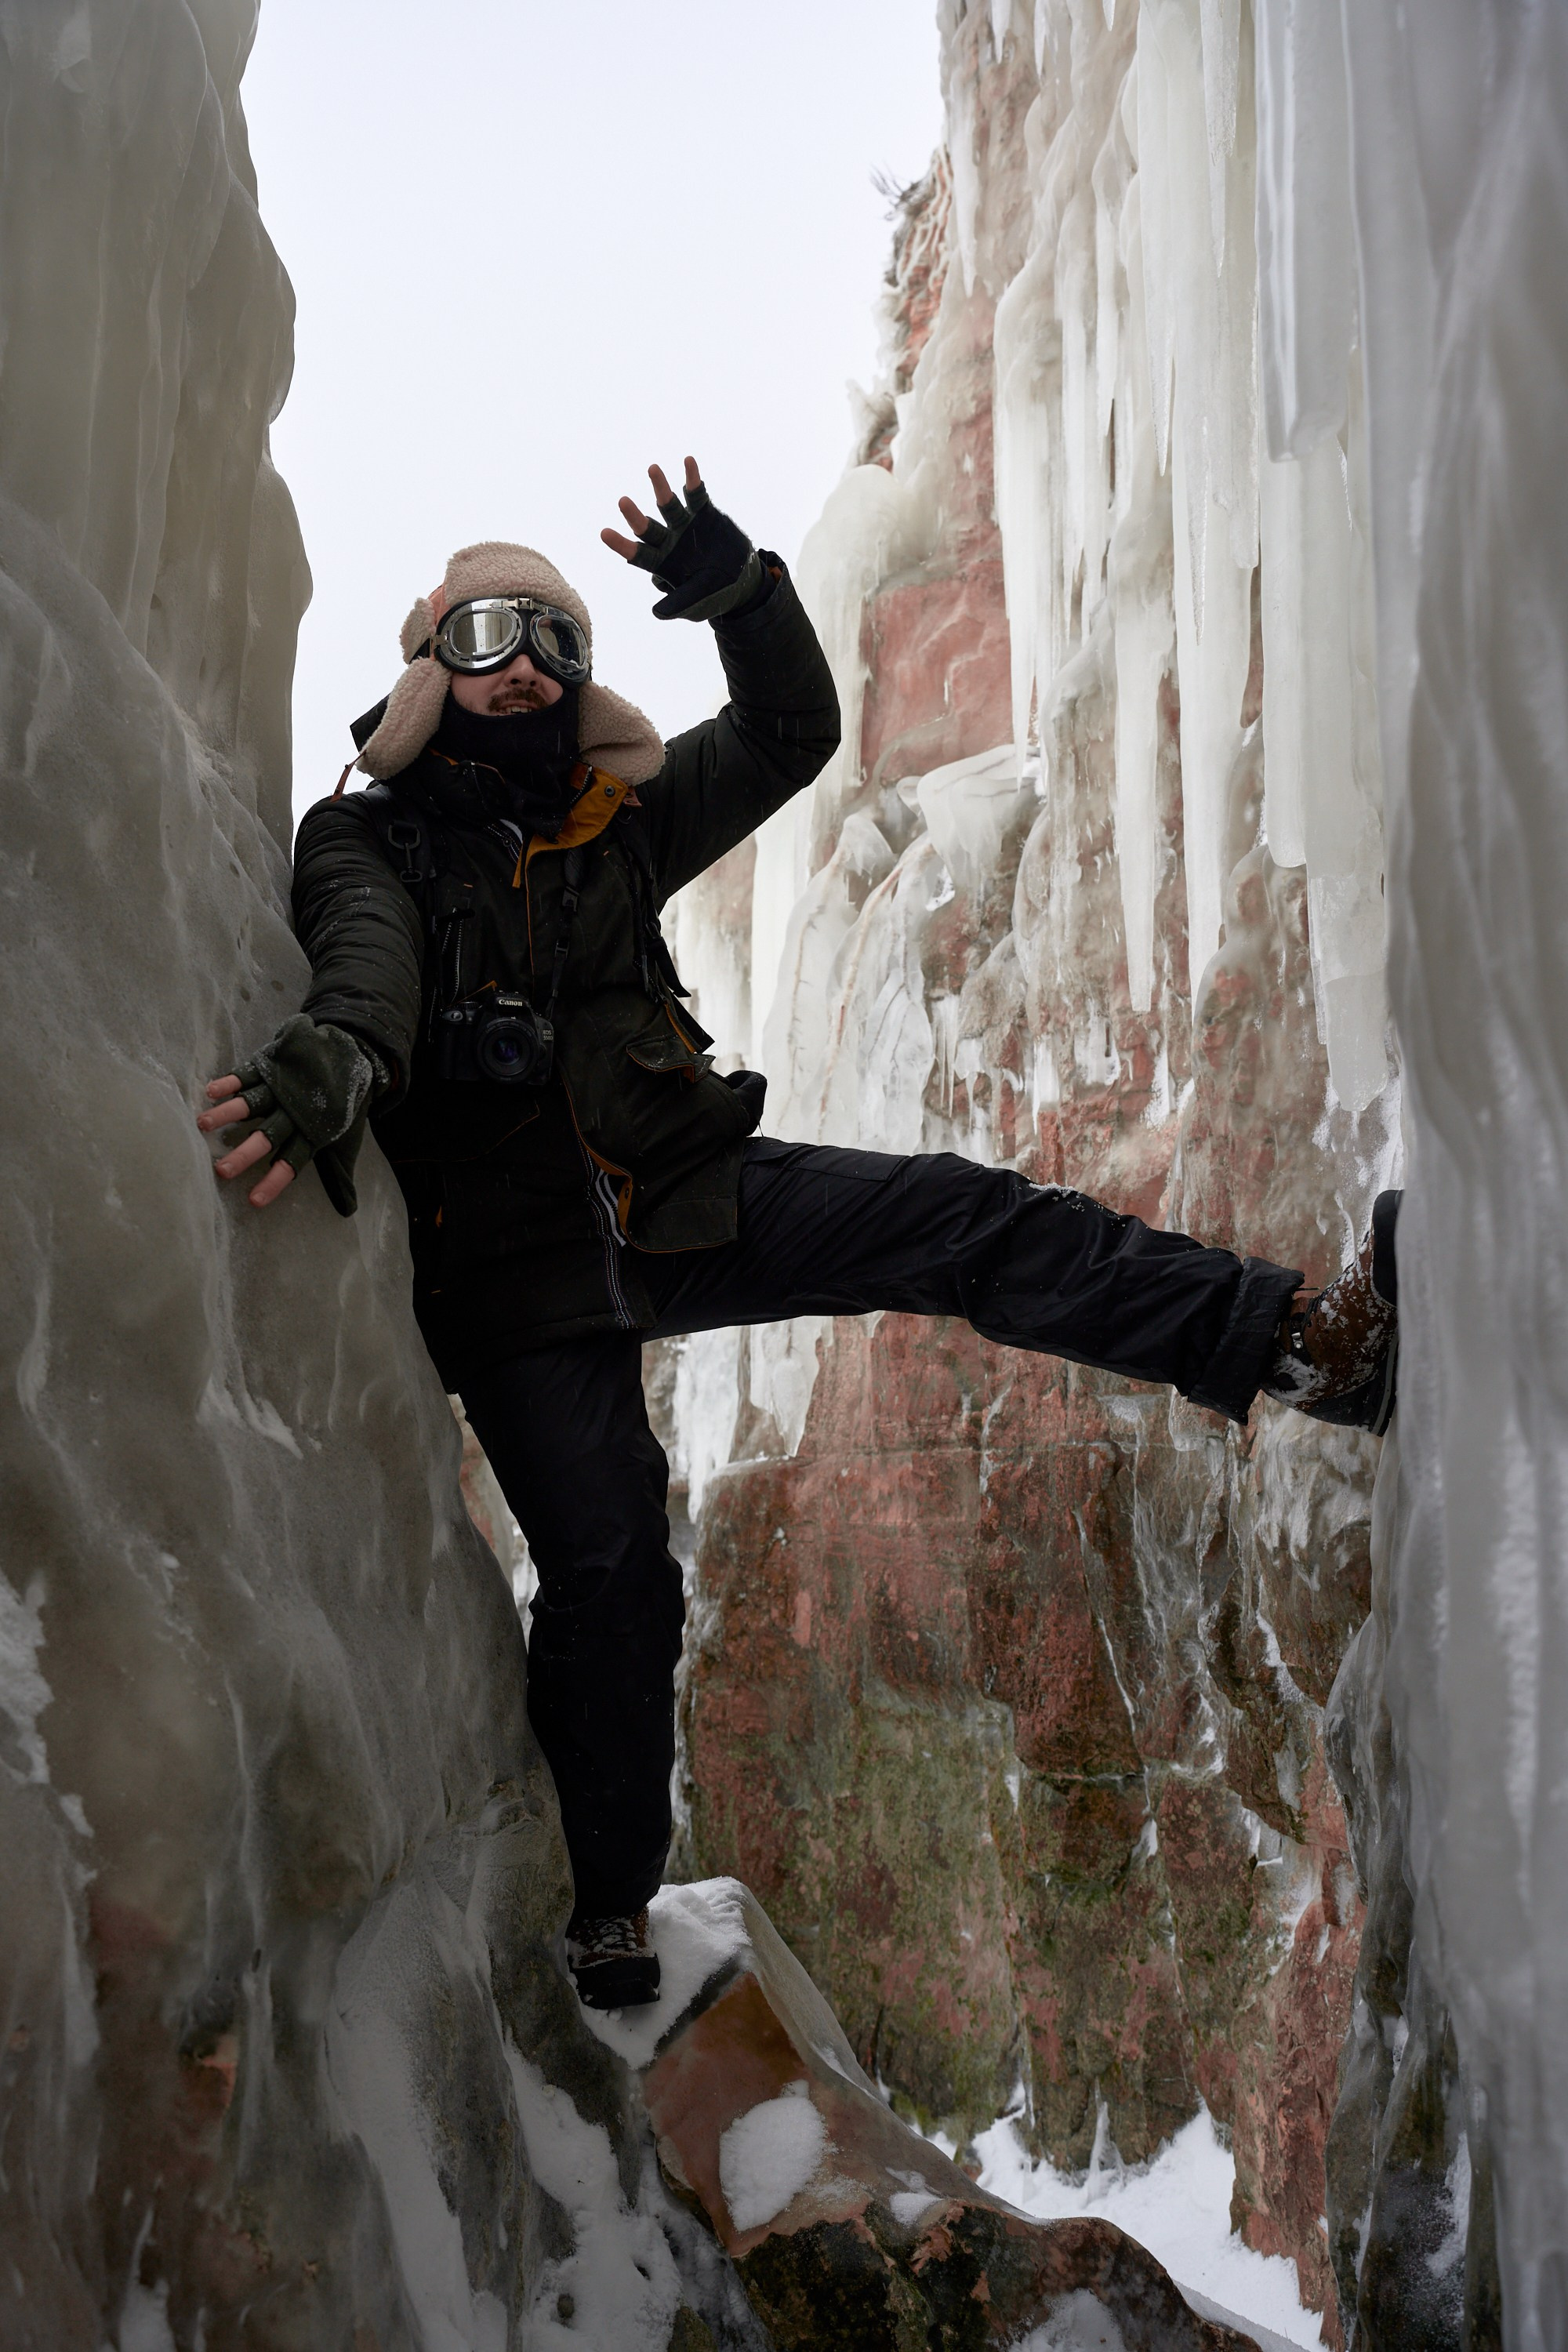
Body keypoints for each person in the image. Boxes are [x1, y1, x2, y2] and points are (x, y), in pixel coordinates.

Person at [198, 460, 1401, 2010]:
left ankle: (1302, 1345)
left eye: (555, 643)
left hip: (685, 1201)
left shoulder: (616, 833)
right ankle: (610, 1908)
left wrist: (739, 593)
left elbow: (787, 735)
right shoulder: (369, 840)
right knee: (615, 1562)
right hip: (515, 1287)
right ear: (432, 660)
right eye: (489, 636)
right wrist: (344, 1056)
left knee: (965, 1219)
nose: (522, 672)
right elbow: (360, 964)